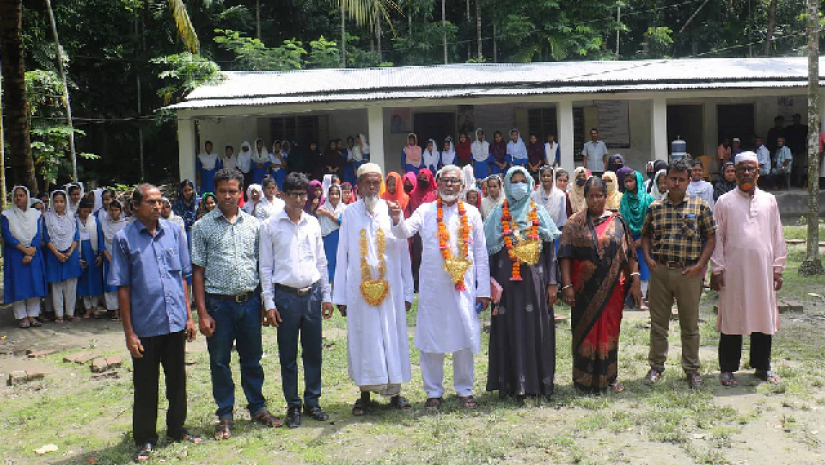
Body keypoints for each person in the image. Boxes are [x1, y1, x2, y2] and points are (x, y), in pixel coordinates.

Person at [108, 184, 201, 461]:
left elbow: (183, 277)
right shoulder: (124, 239)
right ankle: (146, 438)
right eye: (151, 202)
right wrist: (129, 333)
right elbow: (122, 287)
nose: (158, 206)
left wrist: (189, 316)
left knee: (177, 380)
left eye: (160, 201)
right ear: (135, 206)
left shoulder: (174, 232)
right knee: (146, 384)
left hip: (174, 322)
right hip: (145, 326)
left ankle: (176, 427)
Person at [390, 164, 490, 411]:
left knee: (464, 335)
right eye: (444, 180)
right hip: (433, 286)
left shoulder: (472, 213)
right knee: (431, 338)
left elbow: (480, 253)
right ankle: (433, 392)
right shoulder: (424, 211)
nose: (449, 185)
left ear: (462, 186)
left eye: (454, 181)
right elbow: (404, 232)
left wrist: (483, 289)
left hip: (462, 286)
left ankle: (465, 390)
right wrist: (396, 218)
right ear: (437, 183)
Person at [190, 168, 281, 440]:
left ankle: (258, 407)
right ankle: (225, 415)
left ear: (241, 192)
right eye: (222, 191)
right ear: (215, 192)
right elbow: (197, 272)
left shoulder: (254, 225)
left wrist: (265, 304)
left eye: (232, 191)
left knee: (252, 358)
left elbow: (262, 267)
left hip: (250, 302)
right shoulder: (201, 227)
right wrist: (202, 313)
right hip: (218, 305)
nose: (228, 196)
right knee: (220, 361)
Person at [333, 163, 415, 415]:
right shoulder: (349, 213)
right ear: (358, 185)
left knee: (392, 335)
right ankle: (365, 394)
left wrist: (408, 290)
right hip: (360, 289)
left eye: (376, 183)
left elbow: (403, 252)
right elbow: (342, 254)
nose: (372, 187)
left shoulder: (391, 211)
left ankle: (396, 393)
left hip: (391, 289)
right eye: (367, 182)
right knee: (364, 337)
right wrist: (340, 295)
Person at [259, 172, 334, 428]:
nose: (300, 200)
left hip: (311, 294)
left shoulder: (313, 223)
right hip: (285, 297)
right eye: (295, 195)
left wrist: (326, 295)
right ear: (283, 195)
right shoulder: (270, 225)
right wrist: (269, 303)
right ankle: (293, 405)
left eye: (304, 195)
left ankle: (312, 401)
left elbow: (321, 261)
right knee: (288, 355)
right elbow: (265, 268)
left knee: (313, 352)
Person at [710, 152, 786, 387]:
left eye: (750, 169)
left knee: (762, 316)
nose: (746, 173)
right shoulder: (724, 202)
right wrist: (717, 269)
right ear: (735, 173)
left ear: (758, 172)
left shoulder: (769, 201)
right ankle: (728, 368)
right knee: (732, 317)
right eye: (741, 168)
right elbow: (717, 238)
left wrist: (778, 267)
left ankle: (762, 367)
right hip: (733, 271)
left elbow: (777, 234)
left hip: (762, 271)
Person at [484, 166, 560, 400]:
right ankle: (510, 384)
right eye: (513, 181)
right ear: (507, 185)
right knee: (510, 328)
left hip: (535, 284)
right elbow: (488, 253)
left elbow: (550, 252)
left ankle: (537, 383)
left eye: (522, 181)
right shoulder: (497, 215)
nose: (518, 186)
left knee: (535, 328)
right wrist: (489, 285)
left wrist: (552, 283)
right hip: (506, 286)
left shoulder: (539, 212)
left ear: (529, 184)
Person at [560, 177, 641, 393]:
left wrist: (635, 280)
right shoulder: (574, 223)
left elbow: (630, 253)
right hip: (582, 290)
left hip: (613, 289)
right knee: (583, 331)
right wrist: (566, 286)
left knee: (610, 331)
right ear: (585, 197)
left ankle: (610, 377)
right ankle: (583, 379)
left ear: (606, 196)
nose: (595, 200)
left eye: (599, 195)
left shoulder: (618, 221)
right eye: (590, 196)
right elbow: (565, 256)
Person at [641, 160, 716, 389]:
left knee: (690, 325)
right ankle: (656, 367)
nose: (675, 183)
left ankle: (692, 369)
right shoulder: (655, 207)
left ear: (688, 180)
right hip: (661, 271)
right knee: (658, 324)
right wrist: (648, 258)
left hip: (688, 272)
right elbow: (645, 235)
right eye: (672, 178)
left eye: (680, 179)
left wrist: (700, 266)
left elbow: (711, 238)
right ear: (666, 180)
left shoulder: (700, 207)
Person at [2, 186, 47, 328]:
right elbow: (7, 236)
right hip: (15, 254)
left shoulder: (36, 214)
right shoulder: (7, 215)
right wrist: (24, 250)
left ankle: (33, 315)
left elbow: (38, 233)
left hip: (33, 252)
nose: (18, 198)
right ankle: (22, 317)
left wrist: (32, 250)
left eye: (22, 195)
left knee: (34, 283)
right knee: (19, 285)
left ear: (27, 197)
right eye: (16, 196)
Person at [44, 190, 82, 323]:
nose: (59, 204)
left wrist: (70, 252)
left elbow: (76, 236)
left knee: (71, 285)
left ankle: (70, 313)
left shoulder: (72, 216)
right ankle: (59, 314)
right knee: (56, 286)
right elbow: (47, 238)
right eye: (56, 201)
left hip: (70, 255)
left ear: (66, 202)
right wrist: (57, 253)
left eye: (61, 201)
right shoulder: (47, 218)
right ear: (52, 202)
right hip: (54, 255)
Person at [619, 170, 655, 311]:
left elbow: (653, 221)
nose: (628, 184)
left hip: (646, 237)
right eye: (626, 181)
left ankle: (643, 298)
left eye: (631, 181)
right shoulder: (624, 200)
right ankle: (633, 298)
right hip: (628, 238)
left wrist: (642, 238)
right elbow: (622, 220)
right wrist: (629, 239)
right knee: (631, 269)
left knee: (645, 267)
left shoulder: (648, 200)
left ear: (638, 182)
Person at [76, 198, 105, 319]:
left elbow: (100, 238)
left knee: (95, 281)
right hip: (81, 252)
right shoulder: (74, 221)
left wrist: (100, 255)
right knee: (84, 282)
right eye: (83, 211)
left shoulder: (95, 221)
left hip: (93, 252)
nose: (86, 214)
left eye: (88, 211)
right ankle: (87, 308)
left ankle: (95, 307)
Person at [101, 200, 127, 321]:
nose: (113, 212)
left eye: (116, 210)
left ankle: (123, 310)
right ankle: (114, 310)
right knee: (110, 284)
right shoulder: (104, 224)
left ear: (120, 211)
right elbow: (102, 242)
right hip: (108, 257)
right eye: (111, 210)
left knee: (122, 283)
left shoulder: (125, 225)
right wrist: (107, 255)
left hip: (123, 259)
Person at [318, 183, 347, 282]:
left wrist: (328, 214)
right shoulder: (322, 208)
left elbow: (341, 222)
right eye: (332, 194)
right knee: (328, 263)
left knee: (341, 263)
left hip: (341, 238)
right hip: (328, 239)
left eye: (336, 194)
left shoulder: (344, 208)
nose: (334, 196)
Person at [531, 165, 568, 233]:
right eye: (543, 176)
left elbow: (562, 218)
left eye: (548, 176)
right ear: (540, 177)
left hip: (556, 231)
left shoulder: (560, 195)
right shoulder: (534, 195)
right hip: (538, 232)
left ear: (552, 177)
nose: (546, 178)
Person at [173, 179, 199, 247]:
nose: (188, 193)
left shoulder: (199, 203)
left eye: (190, 190)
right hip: (182, 233)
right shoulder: (177, 205)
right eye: (185, 190)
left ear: (193, 190)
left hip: (197, 233)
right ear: (181, 191)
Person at [785, 113, 808, 186]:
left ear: (800, 119)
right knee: (790, 166)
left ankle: (799, 182)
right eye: (795, 119)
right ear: (793, 120)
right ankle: (790, 182)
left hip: (801, 149)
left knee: (800, 167)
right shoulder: (789, 128)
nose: (796, 120)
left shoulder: (804, 128)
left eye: (797, 119)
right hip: (792, 149)